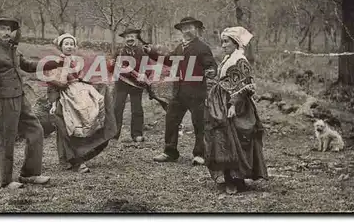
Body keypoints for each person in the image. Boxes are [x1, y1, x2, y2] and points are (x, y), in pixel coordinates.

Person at [0, 17, 50, 190]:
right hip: (5, 100)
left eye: (9, 29)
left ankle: (29, 174)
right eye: (2, 29)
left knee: (36, 130)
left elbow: (26, 65)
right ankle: (4, 180)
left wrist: (50, 64)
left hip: (20, 97)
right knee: (6, 138)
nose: (7, 32)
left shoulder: (12, 49)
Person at [144, 17, 218, 165]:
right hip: (178, 92)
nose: (186, 31)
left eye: (189, 28)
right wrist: (151, 53)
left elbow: (212, 66)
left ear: (196, 29)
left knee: (199, 123)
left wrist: (210, 71)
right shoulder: (179, 48)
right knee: (171, 120)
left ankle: (200, 154)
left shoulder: (202, 47)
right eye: (184, 28)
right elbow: (169, 61)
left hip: (196, 92)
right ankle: (170, 152)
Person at [204, 26, 268, 195]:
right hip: (221, 102)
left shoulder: (240, 60)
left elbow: (248, 86)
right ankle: (228, 177)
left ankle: (236, 179)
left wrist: (233, 105)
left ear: (236, 43)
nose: (223, 45)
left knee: (236, 140)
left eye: (226, 42)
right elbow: (225, 79)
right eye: (222, 42)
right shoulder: (228, 58)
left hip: (236, 106)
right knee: (223, 139)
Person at [42, 33, 117, 174]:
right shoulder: (57, 61)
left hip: (77, 94)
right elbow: (53, 83)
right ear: (61, 46)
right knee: (66, 127)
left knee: (83, 121)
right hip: (63, 97)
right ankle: (74, 160)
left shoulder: (75, 61)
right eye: (66, 44)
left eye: (71, 44)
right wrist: (52, 103)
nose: (69, 46)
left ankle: (69, 158)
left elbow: (80, 78)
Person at [110, 28, 151, 142]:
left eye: (132, 36)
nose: (130, 39)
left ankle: (137, 134)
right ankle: (114, 134)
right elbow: (111, 67)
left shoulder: (142, 51)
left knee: (137, 109)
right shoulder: (119, 51)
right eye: (127, 37)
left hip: (137, 84)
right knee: (117, 108)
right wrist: (113, 65)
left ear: (136, 38)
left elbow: (148, 66)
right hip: (121, 83)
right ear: (124, 39)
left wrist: (144, 74)